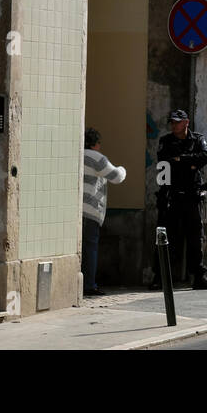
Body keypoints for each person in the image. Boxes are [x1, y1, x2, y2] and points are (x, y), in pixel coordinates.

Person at [151, 109, 207, 291]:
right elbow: (164, 161)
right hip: (171, 195)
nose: (173, 125)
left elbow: (203, 157)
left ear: (186, 122)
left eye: (177, 122)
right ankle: (160, 276)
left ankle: (198, 276)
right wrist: (189, 163)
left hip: (192, 196)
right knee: (165, 238)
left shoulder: (197, 139)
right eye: (172, 122)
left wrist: (180, 159)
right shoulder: (166, 141)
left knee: (196, 237)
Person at [82, 127, 126, 297]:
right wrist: (123, 168)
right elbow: (116, 177)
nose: (100, 146)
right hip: (90, 210)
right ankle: (89, 285)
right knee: (90, 248)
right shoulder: (96, 157)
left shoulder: (75, 153)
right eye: (99, 143)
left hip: (75, 211)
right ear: (95, 144)